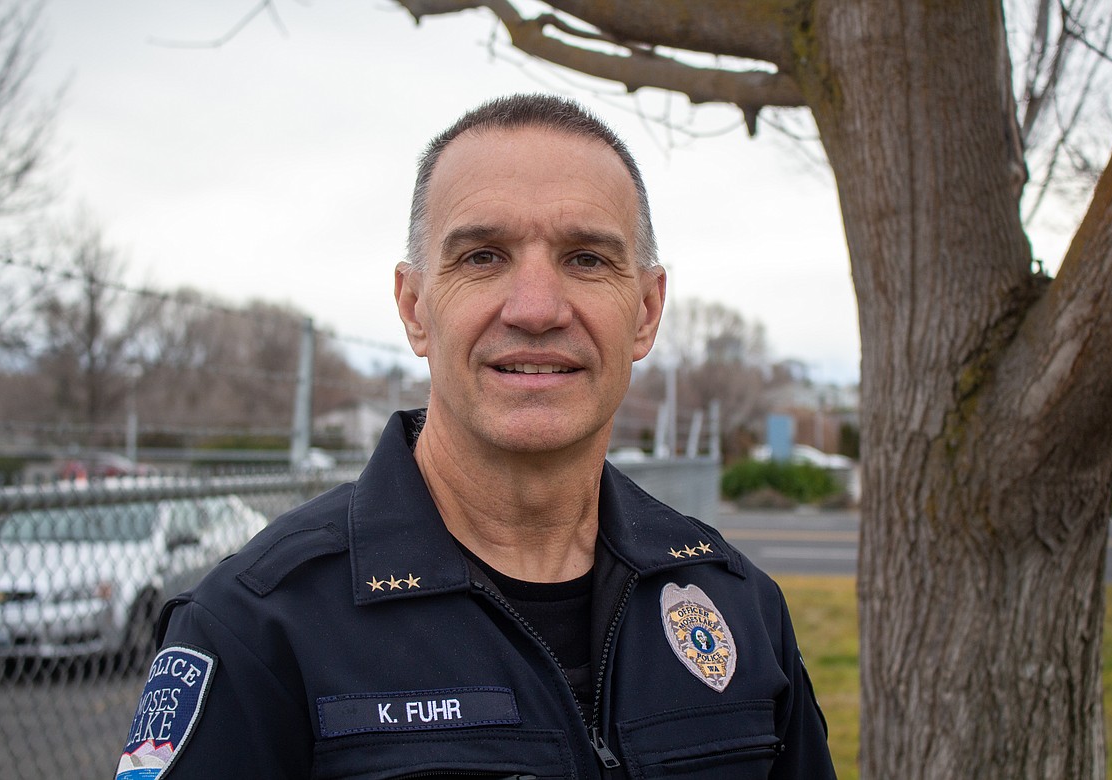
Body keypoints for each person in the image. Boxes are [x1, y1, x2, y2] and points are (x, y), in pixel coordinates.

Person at [115, 93, 836, 779]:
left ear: (646, 312)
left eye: (586, 258)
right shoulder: (259, 629)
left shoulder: (739, 608)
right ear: (415, 308)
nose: (535, 308)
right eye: (482, 256)